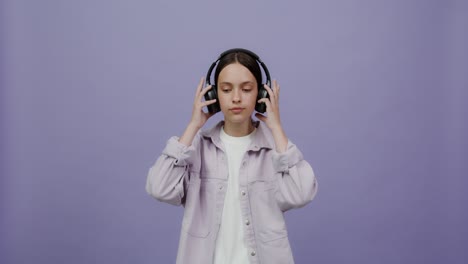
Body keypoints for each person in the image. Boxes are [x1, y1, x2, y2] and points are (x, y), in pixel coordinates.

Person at [146, 48, 318, 264]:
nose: (236, 98)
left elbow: (301, 194)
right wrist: (193, 125)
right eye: (226, 89)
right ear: (214, 94)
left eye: (246, 89)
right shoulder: (197, 148)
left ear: (261, 95)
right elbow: (159, 188)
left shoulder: (276, 151)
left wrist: (277, 129)